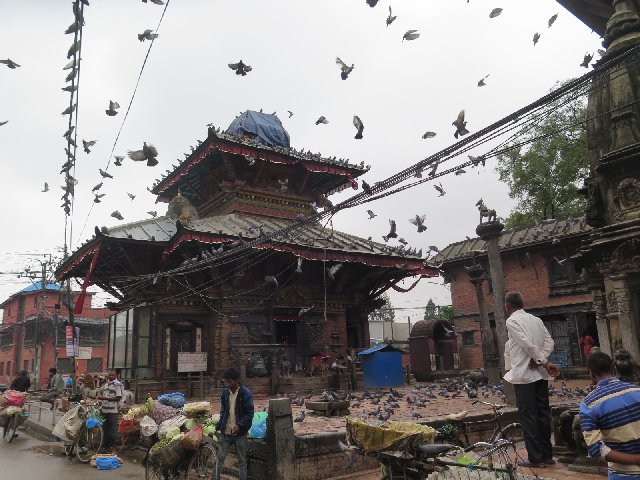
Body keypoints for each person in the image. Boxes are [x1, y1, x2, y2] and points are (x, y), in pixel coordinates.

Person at [503, 291, 559, 468]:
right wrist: (541, 359)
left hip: (525, 375)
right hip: (540, 374)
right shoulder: (536, 320)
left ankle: (536, 458)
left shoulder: (512, 320)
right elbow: (550, 342)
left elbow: (525, 343)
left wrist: (539, 360)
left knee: (529, 416)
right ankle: (547, 455)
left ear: (508, 306)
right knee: (542, 414)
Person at [580, 352, 640, 480]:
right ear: (614, 369)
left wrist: (636, 459)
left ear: (590, 373)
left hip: (623, 474)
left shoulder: (588, 404)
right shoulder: (637, 390)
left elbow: (596, 449)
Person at [215, 368, 254, 480]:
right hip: (226, 432)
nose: (228, 384)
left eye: (230, 382)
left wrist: (240, 425)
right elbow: (223, 413)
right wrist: (218, 426)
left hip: (240, 433)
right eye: (226, 382)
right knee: (220, 458)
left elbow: (249, 413)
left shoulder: (245, 394)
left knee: (242, 461)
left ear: (236, 380)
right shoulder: (225, 394)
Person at [97, 370, 124, 451]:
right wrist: (100, 398)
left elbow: (118, 397)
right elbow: (100, 393)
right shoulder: (105, 385)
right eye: (110, 375)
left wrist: (105, 398)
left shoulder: (117, 385)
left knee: (112, 429)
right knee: (105, 428)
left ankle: (113, 447)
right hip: (104, 410)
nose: (111, 377)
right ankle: (106, 446)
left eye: (112, 375)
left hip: (113, 411)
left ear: (115, 376)